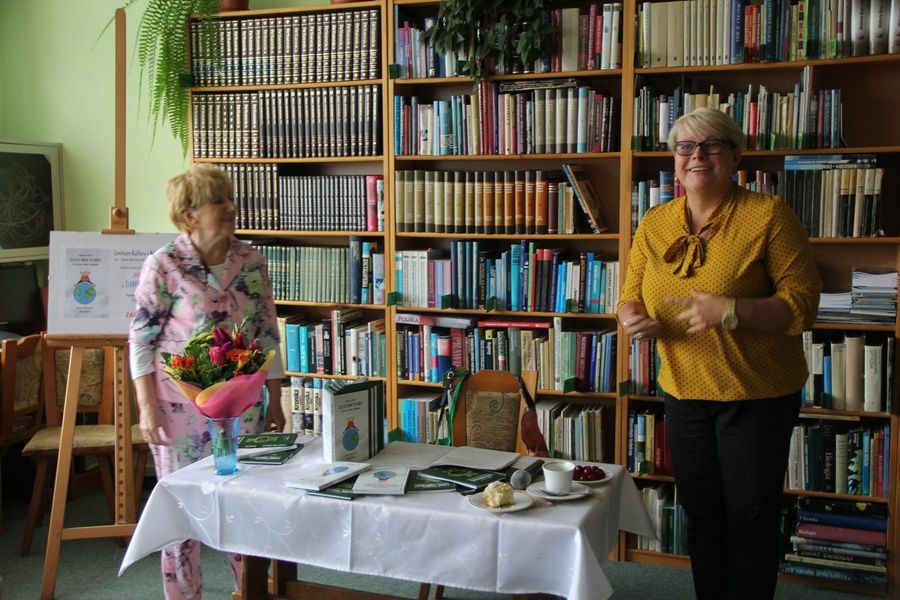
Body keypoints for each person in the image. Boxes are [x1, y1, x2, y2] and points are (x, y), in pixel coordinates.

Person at [616, 108, 821, 599]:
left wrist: (732, 310)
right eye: (685, 147)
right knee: (702, 513)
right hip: (684, 391)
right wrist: (630, 316)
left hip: (756, 394)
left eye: (711, 145)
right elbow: (629, 294)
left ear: (735, 155)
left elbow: (802, 305)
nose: (697, 156)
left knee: (749, 517)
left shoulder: (768, 216)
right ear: (675, 158)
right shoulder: (656, 221)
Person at [129, 164, 285, 599]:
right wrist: (147, 407)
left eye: (229, 198)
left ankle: (248, 591)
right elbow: (141, 340)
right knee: (181, 513)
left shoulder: (250, 260)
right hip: (179, 408)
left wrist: (275, 398)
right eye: (218, 201)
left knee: (247, 504)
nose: (230, 207)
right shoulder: (164, 264)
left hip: (243, 405)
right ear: (190, 214)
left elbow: (267, 333)